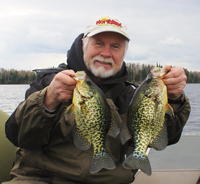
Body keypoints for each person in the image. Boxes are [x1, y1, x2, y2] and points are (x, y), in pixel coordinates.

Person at [4, 15, 191, 184]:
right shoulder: (49, 83)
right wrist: (49, 99)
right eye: (99, 43)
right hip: (42, 178)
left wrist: (175, 100)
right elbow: (18, 136)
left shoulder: (131, 95)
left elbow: (167, 137)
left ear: (124, 53)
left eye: (115, 46)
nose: (106, 53)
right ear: (84, 44)